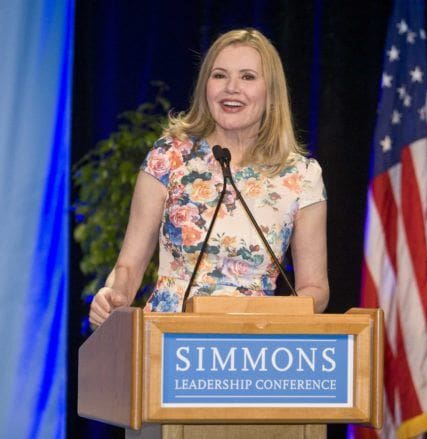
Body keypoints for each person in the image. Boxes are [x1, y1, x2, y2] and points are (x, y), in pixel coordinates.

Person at [89, 28, 329, 326]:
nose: (232, 88)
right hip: (169, 336)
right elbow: (128, 267)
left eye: (247, 77)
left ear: (271, 92)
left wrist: (279, 319)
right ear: (206, 86)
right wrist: (114, 295)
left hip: (255, 343)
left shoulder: (301, 175)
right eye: (219, 75)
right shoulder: (169, 156)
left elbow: (315, 288)